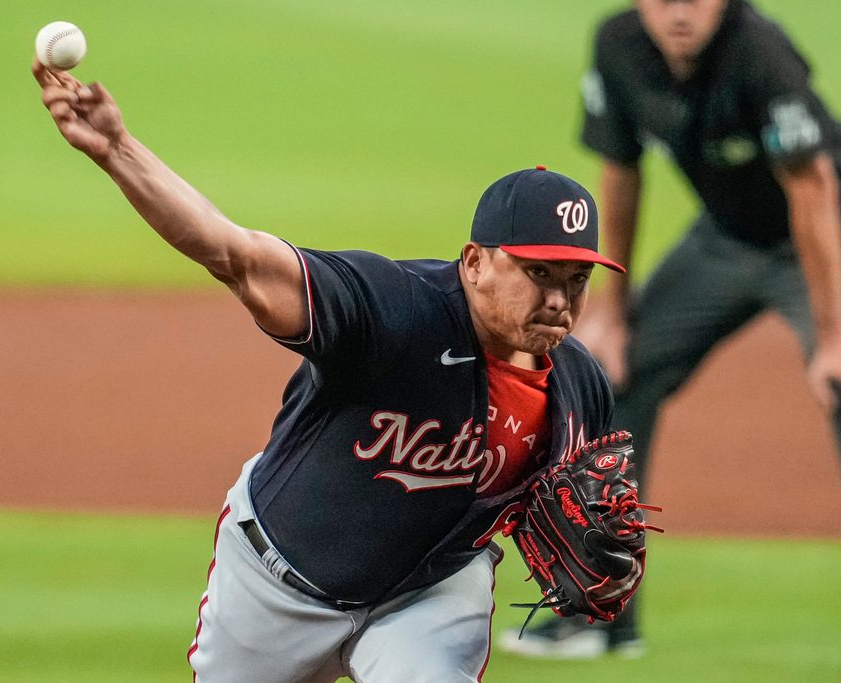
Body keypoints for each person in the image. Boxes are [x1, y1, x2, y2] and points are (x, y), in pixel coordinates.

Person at [31, 56, 635, 682]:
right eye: (539, 273)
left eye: (576, 277)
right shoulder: (391, 308)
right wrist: (118, 150)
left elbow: (558, 507)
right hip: (275, 587)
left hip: (428, 597)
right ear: (476, 261)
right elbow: (237, 255)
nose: (560, 299)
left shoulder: (577, 387)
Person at [499, 0, 841, 677]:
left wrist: (837, 335)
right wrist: (615, 310)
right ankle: (600, 612)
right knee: (615, 370)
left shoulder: (759, 53)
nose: (679, 10)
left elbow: (811, 184)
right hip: (729, 238)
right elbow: (621, 169)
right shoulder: (618, 45)